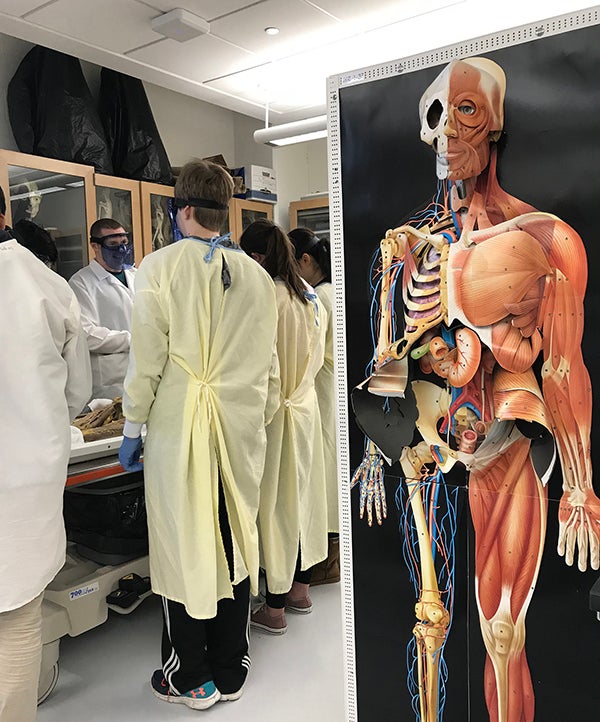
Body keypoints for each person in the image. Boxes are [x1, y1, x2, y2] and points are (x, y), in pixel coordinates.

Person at [352, 56, 600, 722]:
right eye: (437, 116)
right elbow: (388, 358)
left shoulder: (541, 239)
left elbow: (562, 365)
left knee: (502, 633)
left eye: (466, 112)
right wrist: (377, 451)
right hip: (424, 450)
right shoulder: (407, 247)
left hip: (502, 445)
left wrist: (580, 484)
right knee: (427, 619)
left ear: (494, 124)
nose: (447, 135)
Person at [118, 159, 280, 709]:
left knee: (183, 542)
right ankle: (231, 668)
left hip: (180, 425)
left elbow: (147, 362)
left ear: (181, 209)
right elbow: (270, 368)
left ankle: (190, 677)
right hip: (238, 429)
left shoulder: (158, 268)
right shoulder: (257, 276)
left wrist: (133, 424)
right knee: (234, 537)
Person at [0, 186, 92, 722]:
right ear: (6, 210)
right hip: (26, 480)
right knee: (16, 621)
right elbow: (77, 391)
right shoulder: (47, 284)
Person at [240, 219, 328, 634]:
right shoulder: (310, 297)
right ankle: (300, 590)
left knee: (275, 508)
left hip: (277, 414)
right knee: (304, 501)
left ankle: (273, 610)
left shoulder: (266, 297)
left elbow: (262, 367)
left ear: (256, 258)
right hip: (305, 409)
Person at [288, 228, 339, 585]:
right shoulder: (332, 290)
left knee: (320, 479)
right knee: (329, 473)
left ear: (305, 261)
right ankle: (331, 559)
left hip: (318, 394)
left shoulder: (317, 299)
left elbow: (307, 355)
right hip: (331, 393)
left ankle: (326, 563)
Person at [68, 218, 136, 401]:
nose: (121, 249)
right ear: (95, 246)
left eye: (124, 242)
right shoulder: (81, 283)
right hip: (110, 382)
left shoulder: (137, 276)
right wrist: (131, 339)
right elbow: (86, 334)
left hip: (143, 374)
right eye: (113, 244)